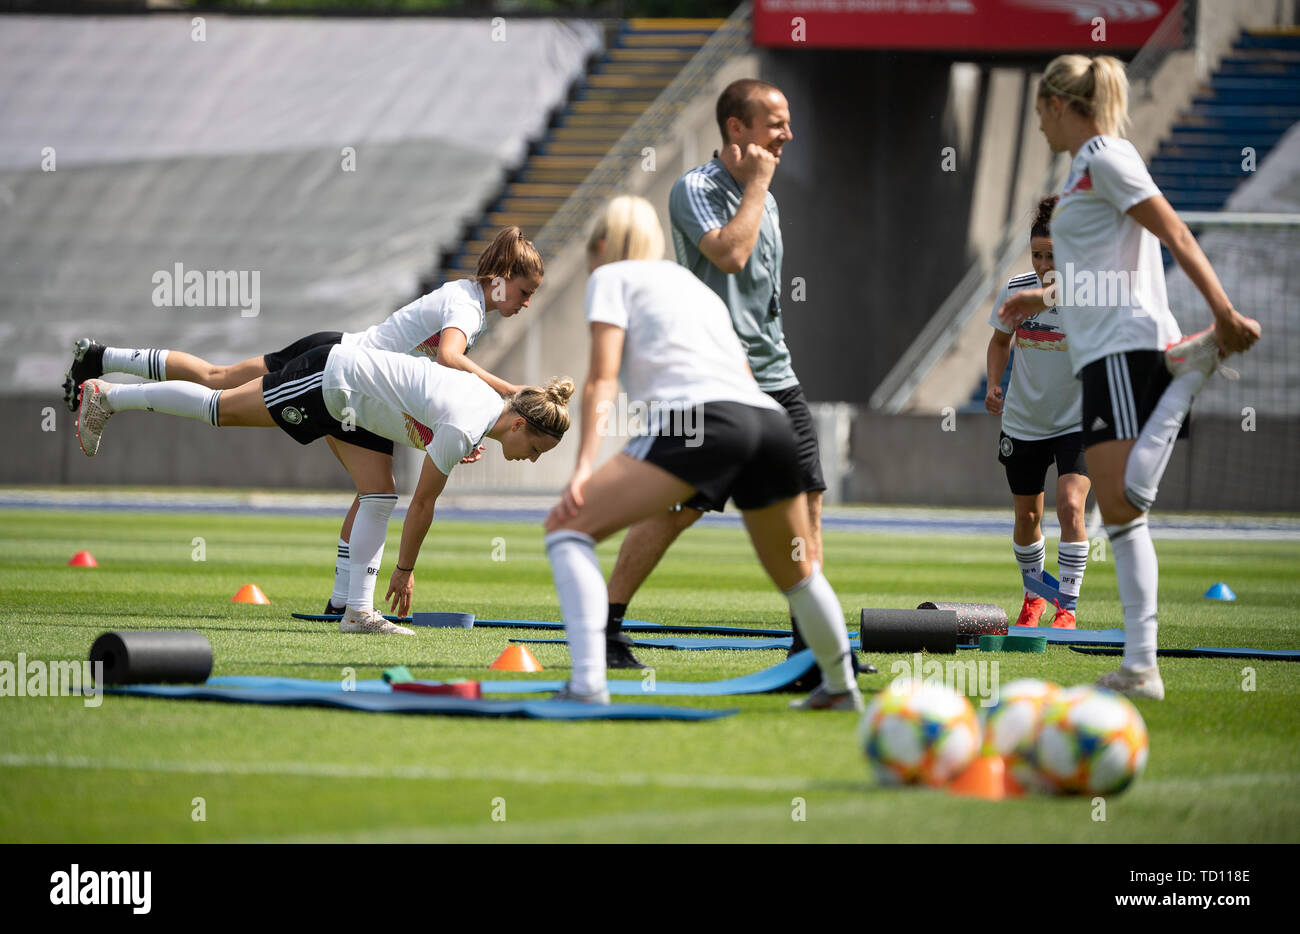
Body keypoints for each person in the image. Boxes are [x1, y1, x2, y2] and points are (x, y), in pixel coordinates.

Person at [63, 226, 542, 614]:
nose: (525, 302)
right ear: (501, 277)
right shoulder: (467, 306)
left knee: (222, 380)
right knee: (223, 403)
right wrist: (507, 390)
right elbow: (448, 356)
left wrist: (446, 432)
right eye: (525, 291)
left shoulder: (466, 298)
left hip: (348, 369)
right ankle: (110, 394)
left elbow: (429, 377)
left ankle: (104, 357)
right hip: (342, 375)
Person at [999, 54, 1261, 699]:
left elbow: (1174, 231)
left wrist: (1222, 312)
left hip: (1124, 347)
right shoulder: (1087, 166)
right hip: (1108, 350)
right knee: (1123, 512)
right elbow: (1099, 269)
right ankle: (1140, 667)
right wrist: (1042, 300)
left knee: (1121, 506)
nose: (1037, 125)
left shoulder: (1108, 156)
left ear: (1060, 104)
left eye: (1039, 110)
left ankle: (1193, 368)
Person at [544, 195, 862, 709]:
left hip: (700, 420)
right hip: (767, 420)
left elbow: (601, 379)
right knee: (798, 575)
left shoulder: (609, 277)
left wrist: (583, 466)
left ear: (600, 245)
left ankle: (586, 685)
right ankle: (841, 688)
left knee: (565, 529)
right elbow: (741, 373)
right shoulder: (693, 287)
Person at [76, 342, 572, 635]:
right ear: (519, 426)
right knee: (219, 406)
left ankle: (357, 611)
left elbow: (419, 397)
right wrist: (404, 571)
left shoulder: (484, 407)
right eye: (536, 450)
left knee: (379, 493)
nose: (531, 460)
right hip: (330, 385)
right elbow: (425, 505)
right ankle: (110, 396)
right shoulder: (469, 424)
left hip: (353, 397)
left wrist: (427, 434)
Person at [601, 78, 832, 672]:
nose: (788, 134)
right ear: (737, 128)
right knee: (678, 505)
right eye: (776, 123)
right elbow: (729, 253)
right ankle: (606, 629)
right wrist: (756, 185)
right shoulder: (695, 189)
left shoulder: (766, 194)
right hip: (711, 383)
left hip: (776, 375)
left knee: (807, 501)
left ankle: (809, 646)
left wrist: (759, 189)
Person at [986, 195, 1091, 630]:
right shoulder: (1016, 289)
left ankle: (1066, 606)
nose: (1045, 261)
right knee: (1027, 516)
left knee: (1070, 506)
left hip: (1077, 421)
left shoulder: (1090, 292)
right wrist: (995, 383)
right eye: (1038, 254)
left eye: (1053, 253)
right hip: (1024, 421)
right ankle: (1035, 596)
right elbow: (998, 342)